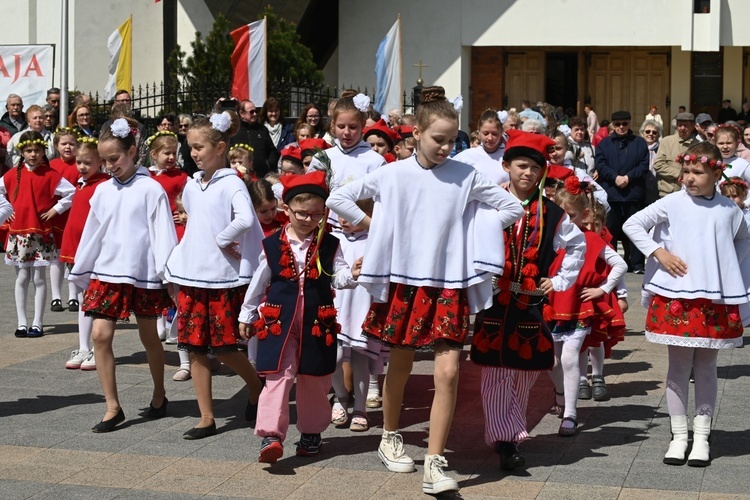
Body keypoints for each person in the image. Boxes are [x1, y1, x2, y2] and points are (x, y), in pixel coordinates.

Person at [327, 86, 524, 494]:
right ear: (416, 132)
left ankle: (434, 463)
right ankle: (390, 435)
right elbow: (340, 196)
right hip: (404, 282)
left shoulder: (466, 174)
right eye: (438, 139)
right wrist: (373, 227)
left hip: (449, 284)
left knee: (448, 373)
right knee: (399, 365)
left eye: (452, 139)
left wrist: (471, 237)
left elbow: (511, 209)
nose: (446, 147)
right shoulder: (392, 173)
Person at [623, 141, 749, 467]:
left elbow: (743, 238)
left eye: (697, 172)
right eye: (687, 171)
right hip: (677, 297)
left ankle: (702, 437)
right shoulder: (672, 203)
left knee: (706, 367)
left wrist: (728, 270)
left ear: (717, 173)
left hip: (713, 299)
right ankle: (679, 436)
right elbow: (632, 224)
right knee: (678, 368)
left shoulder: (729, 210)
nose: (689, 178)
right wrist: (658, 252)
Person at [470, 130, 584, 471]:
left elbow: (577, 245)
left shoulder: (550, 211)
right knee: (493, 371)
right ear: (506, 166)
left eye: (536, 168)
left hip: (531, 301)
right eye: (521, 166)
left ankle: (510, 431)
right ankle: (506, 441)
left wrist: (559, 279)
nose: (528, 174)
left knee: (524, 371)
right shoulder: (487, 202)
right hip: (492, 299)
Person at [239, 171, 360, 463]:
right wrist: (246, 313)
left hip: (317, 320)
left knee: (314, 377)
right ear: (287, 208)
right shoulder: (272, 243)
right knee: (278, 374)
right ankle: (271, 434)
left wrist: (352, 274)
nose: (309, 220)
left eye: (317, 214)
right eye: (302, 213)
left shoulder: (329, 244)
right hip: (280, 321)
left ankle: (311, 432)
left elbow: (337, 275)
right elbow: (259, 281)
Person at [69, 117, 177, 432]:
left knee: (148, 337)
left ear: (132, 151)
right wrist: (82, 267)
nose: (109, 165)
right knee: (99, 335)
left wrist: (167, 275)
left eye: (114, 158)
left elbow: (163, 234)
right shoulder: (102, 191)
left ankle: (159, 392)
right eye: (104, 160)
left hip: (142, 274)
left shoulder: (151, 189)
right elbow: (93, 231)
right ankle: (113, 407)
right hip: (107, 270)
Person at [164, 111, 264, 439]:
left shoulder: (232, 182)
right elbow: (194, 218)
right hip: (194, 273)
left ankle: (254, 385)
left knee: (224, 346)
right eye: (190, 147)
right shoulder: (194, 184)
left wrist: (222, 239)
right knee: (194, 347)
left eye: (199, 147)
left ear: (220, 147)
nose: (193, 153)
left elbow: (246, 218)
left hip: (221, 276)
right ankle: (206, 416)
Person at [547, 177, 627, 436]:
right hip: (553, 304)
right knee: (553, 360)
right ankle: (560, 393)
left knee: (570, 357)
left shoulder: (592, 239)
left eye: (570, 215)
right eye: (562, 214)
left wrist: (603, 289)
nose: (566, 220)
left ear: (585, 214)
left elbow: (620, 264)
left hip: (578, 305)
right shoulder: (552, 238)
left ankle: (570, 413)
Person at [1, 130, 75, 338]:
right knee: (21, 277)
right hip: (19, 234)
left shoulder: (50, 175)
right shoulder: (11, 175)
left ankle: (37, 322)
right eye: (28, 150)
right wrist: (7, 210)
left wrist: (55, 210)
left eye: (37, 150)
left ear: (44, 152)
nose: (33, 154)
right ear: (21, 152)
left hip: (41, 233)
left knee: (40, 279)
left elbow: (71, 193)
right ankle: (22, 322)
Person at [330, 197, 386, 433]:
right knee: (333, 355)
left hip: (362, 305)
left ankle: (360, 409)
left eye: (350, 214)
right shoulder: (332, 238)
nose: (344, 219)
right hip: (336, 304)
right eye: (341, 213)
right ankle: (340, 396)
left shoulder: (375, 239)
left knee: (360, 357)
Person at [60, 137, 110, 370]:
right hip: (76, 246)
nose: (81, 166)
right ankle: (83, 347)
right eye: (79, 162)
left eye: (87, 162)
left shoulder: (104, 185)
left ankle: (96, 348)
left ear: (99, 161)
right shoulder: (81, 183)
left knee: (93, 299)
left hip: (93, 249)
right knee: (82, 298)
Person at [308, 91, 386, 231]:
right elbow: (310, 194)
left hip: (363, 231)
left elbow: (380, 201)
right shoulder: (323, 158)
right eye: (341, 126)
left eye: (353, 127)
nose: (347, 132)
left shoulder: (375, 161)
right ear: (333, 124)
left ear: (363, 125)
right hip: (327, 230)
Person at [595, 111, 649, 273]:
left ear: (629, 124)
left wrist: (628, 177)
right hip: (612, 195)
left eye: (624, 124)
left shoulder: (639, 143)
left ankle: (638, 265)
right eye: (618, 124)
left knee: (636, 230)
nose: (621, 127)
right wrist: (615, 177)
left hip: (633, 194)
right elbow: (601, 164)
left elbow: (643, 165)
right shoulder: (604, 144)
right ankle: (611, 264)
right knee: (611, 231)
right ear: (612, 125)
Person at [49, 128, 82, 314]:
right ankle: (55, 297)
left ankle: (73, 296)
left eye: (71, 143)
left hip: (74, 216)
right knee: (56, 258)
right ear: (56, 146)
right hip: (55, 217)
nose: (68, 147)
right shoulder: (52, 165)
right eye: (64, 144)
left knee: (73, 258)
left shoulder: (80, 164)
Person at [454, 109, 509, 184]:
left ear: (501, 132)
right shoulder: (466, 157)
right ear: (479, 132)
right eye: (485, 133)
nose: (490, 138)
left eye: (494, 134)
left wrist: (510, 184)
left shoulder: (508, 156)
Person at [653, 112, 698, 198]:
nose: (682, 128)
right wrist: (678, 173)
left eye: (686, 125)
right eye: (680, 125)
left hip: (691, 192)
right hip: (668, 192)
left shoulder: (698, 145)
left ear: (693, 127)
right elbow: (658, 164)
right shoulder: (666, 141)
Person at [231, 100, 279, 178]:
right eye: (251, 112)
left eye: (256, 111)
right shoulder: (234, 130)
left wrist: (268, 165)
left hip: (261, 176)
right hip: (239, 176)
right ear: (242, 113)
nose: (255, 114)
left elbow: (272, 150)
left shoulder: (262, 129)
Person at [640, 119, 663, 204]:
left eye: (654, 132)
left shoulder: (662, 149)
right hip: (640, 186)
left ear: (658, 135)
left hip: (656, 187)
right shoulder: (636, 148)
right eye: (648, 131)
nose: (651, 134)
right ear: (642, 133)